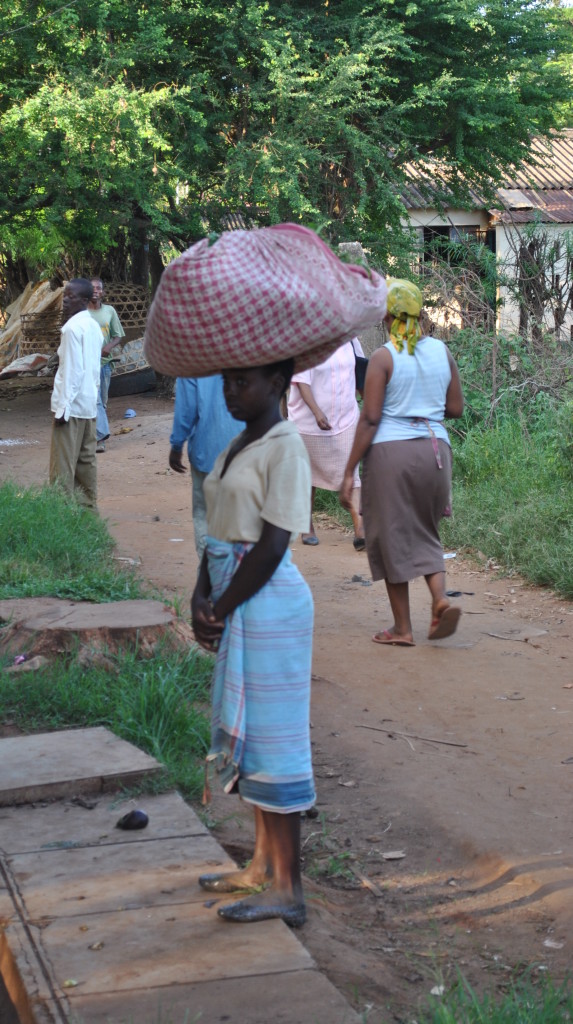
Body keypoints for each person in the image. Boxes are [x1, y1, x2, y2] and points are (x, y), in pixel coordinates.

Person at [191, 360, 315, 928]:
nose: (232, 392)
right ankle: (263, 865)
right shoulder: (240, 440)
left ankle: (287, 888)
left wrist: (223, 603)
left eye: (244, 382)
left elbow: (272, 543)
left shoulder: (285, 445)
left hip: (268, 603)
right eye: (227, 383)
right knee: (256, 739)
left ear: (278, 384)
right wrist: (202, 594)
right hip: (238, 596)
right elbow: (217, 526)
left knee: (276, 742)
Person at [339, 279, 465, 646]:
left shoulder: (384, 357)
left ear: (388, 315)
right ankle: (440, 598)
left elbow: (371, 417)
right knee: (426, 530)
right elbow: (455, 408)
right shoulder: (442, 352)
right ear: (421, 312)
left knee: (388, 534)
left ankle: (403, 629)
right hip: (435, 451)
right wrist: (421, 408)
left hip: (392, 454)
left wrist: (348, 471)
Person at [287, 338, 366, 549]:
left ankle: (360, 527)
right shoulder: (308, 339)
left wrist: (369, 408)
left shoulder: (351, 340)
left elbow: (360, 373)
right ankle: (306, 525)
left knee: (352, 471)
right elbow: (301, 380)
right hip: (307, 421)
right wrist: (316, 412)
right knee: (307, 475)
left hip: (345, 416)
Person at [168, 375, 243, 559]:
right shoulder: (249, 352)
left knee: (205, 516)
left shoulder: (192, 361)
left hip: (208, 451)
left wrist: (177, 445)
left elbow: (187, 410)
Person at [49, 279, 103, 509]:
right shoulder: (93, 327)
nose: (64, 301)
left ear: (83, 301)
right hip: (89, 406)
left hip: (71, 409)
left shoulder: (72, 329)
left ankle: (60, 520)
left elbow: (73, 371)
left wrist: (63, 408)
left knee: (62, 470)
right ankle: (88, 518)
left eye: (70, 297)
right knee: (86, 465)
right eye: (64, 296)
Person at [87, 278, 125, 453]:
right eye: (92, 288)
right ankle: (100, 438)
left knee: (102, 401)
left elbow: (118, 335)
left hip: (104, 364)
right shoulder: (82, 312)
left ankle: (98, 433)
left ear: (102, 292)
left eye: (99, 288)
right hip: (87, 364)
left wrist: (109, 347)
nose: (95, 290)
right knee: (95, 401)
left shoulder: (109, 311)